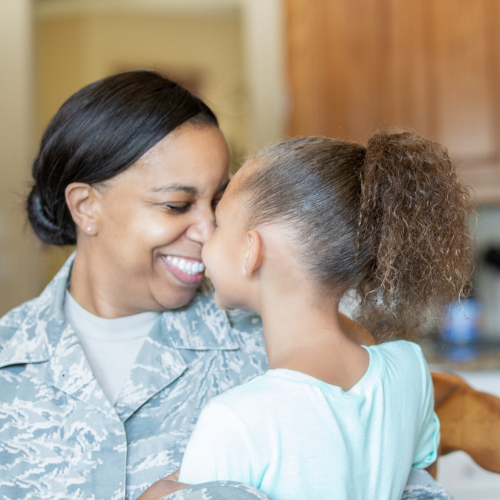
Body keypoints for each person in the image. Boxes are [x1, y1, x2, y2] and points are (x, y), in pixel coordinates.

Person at [0, 70, 451, 500]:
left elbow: (402, 482)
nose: (208, 228)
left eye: (218, 200)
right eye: (177, 205)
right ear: (85, 207)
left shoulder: (293, 346)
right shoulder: (9, 367)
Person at [174, 134, 472, 499]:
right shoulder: (409, 367)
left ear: (251, 251)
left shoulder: (235, 421)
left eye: (218, 223)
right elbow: (420, 479)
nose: (203, 237)